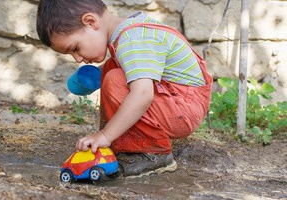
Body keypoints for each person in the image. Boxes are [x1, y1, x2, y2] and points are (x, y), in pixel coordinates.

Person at [36, 0, 212, 177]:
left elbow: (143, 94)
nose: (77, 59)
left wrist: (105, 135)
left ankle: (154, 154)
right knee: (112, 70)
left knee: (115, 79)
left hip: (184, 107)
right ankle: (123, 145)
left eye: (75, 48)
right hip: (175, 101)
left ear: (91, 22)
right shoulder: (129, 32)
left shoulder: (132, 39)